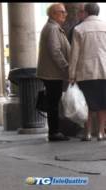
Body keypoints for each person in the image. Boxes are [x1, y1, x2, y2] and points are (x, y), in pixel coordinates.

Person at [69, 3, 106, 141]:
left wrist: (71, 75)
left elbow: (74, 55)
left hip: (85, 72)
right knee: (103, 103)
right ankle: (101, 133)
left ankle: (88, 133)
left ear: (86, 12)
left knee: (87, 103)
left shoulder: (79, 29)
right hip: (104, 70)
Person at [37, 3, 70, 142]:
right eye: (62, 12)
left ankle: (55, 131)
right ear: (54, 14)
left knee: (53, 102)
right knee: (53, 104)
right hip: (52, 73)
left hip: (52, 72)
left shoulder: (53, 27)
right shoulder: (52, 29)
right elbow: (55, 51)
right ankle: (54, 132)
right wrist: (66, 66)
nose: (65, 14)